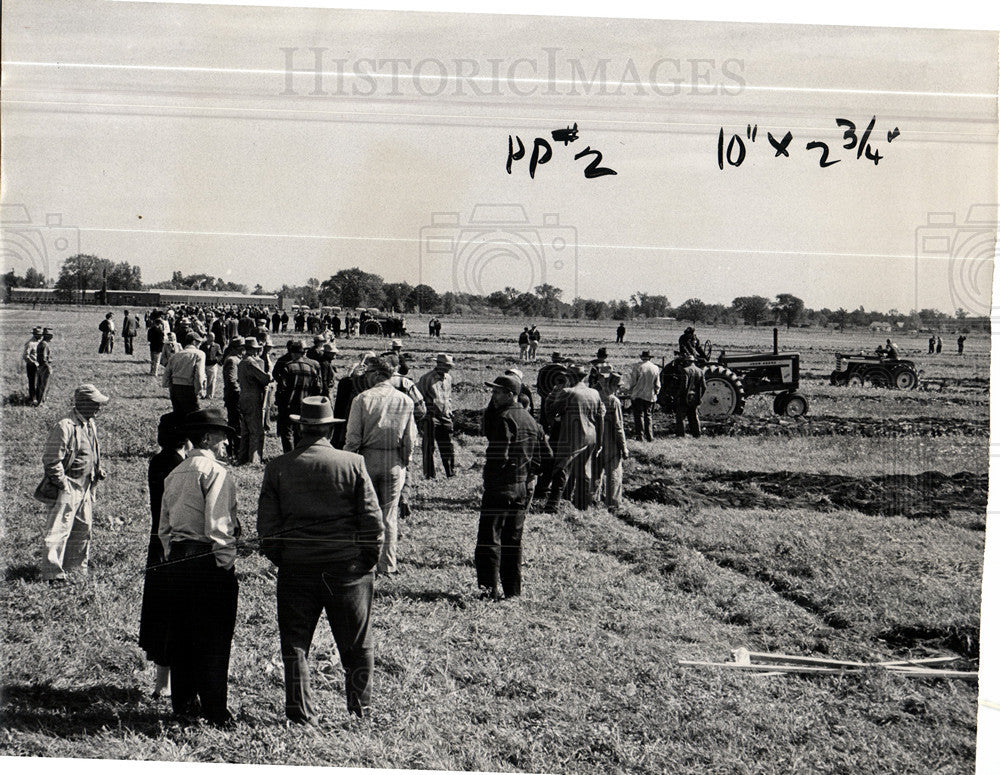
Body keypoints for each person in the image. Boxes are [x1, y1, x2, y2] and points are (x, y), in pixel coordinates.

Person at [257, 396, 384, 722]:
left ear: (301, 427)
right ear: (329, 429)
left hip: (297, 569)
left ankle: (300, 714)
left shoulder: (278, 467)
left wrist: (284, 559)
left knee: (295, 645)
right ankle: (361, 712)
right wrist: (365, 562)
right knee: (357, 646)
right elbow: (372, 520)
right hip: (347, 570)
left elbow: (267, 529)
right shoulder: (352, 463)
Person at [158, 407, 240, 726]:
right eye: (222, 438)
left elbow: (164, 527)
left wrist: (173, 556)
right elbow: (218, 527)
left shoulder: (175, 473)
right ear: (207, 438)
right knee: (214, 639)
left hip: (177, 560)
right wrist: (225, 565)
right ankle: (216, 711)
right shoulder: (216, 472)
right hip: (206, 562)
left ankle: (184, 704)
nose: (226, 445)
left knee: (182, 635)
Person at [345, 356, 416, 576]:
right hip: (394, 461)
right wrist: (403, 461)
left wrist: (348, 463)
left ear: (375, 375)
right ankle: (388, 565)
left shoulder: (362, 399)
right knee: (389, 516)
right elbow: (410, 439)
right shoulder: (405, 401)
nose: (365, 378)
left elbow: (353, 438)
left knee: (365, 513)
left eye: (367, 374)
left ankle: (365, 563)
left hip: (366, 459)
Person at [476, 372, 545, 599]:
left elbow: (499, 455)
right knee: (513, 541)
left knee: (489, 539)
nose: (493, 396)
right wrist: (529, 475)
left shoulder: (504, 418)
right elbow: (545, 456)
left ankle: (488, 591)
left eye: (497, 392)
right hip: (522, 488)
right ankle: (513, 591)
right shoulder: (530, 420)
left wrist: (492, 478)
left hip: (500, 487)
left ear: (510, 394)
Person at [38, 384, 109, 582]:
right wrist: (63, 485)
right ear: (83, 403)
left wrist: (97, 469)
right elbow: (52, 460)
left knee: (82, 529)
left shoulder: (89, 423)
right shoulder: (64, 426)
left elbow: (92, 450)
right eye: (95, 404)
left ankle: (75, 569)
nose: (99, 408)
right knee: (58, 530)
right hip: (69, 486)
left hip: (85, 486)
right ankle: (52, 574)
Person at [141, 412, 189, 698]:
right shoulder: (179, 466)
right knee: (174, 612)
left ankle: (162, 683)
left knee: (160, 611)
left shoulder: (158, 461)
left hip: (156, 540)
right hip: (174, 543)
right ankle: (168, 683)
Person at [544, 364, 605, 512]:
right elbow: (600, 418)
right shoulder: (594, 393)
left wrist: (552, 395)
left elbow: (551, 409)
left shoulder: (567, 392)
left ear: (570, 377)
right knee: (584, 470)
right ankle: (582, 505)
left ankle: (553, 504)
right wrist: (600, 441)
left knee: (561, 468)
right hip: (591, 435)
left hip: (572, 436)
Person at [273, 340, 323, 453]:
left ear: (292, 353)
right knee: (300, 431)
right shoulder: (313, 366)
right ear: (303, 353)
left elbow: (282, 387)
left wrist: (279, 401)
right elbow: (318, 388)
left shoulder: (288, 367)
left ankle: (289, 454)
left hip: (288, 404)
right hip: (305, 404)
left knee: (287, 432)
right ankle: (299, 453)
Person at [593, 372, 629, 510]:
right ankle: (613, 504)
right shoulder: (614, 401)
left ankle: (592, 500)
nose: (618, 389)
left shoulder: (595, 397)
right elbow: (618, 426)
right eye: (617, 386)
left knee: (595, 471)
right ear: (612, 385)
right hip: (611, 442)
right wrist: (624, 447)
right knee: (614, 473)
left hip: (596, 440)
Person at [416, 353, 456, 478]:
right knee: (429, 446)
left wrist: (449, 409)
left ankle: (450, 472)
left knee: (448, 445)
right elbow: (419, 398)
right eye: (446, 366)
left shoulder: (448, 378)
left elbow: (448, 396)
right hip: (430, 416)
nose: (449, 368)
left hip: (444, 415)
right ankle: (429, 475)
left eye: (450, 366)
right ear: (439, 365)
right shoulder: (427, 378)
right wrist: (423, 415)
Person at [237, 337, 271, 464]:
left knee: (246, 430)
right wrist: (269, 375)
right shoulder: (251, 363)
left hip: (244, 396)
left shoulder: (242, 362)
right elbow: (264, 379)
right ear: (253, 350)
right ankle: (254, 460)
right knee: (256, 431)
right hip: (253, 398)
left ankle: (243, 458)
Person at [162, 333, 207, 415]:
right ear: (194, 342)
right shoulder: (199, 354)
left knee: (179, 415)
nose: (200, 344)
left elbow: (167, 372)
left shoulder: (176, 355)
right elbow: (199, 374)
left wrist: (168, 385)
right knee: (194, 416)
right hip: (189, 388)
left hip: (175, 388)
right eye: (199, 342)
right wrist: (199, 390)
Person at [628, 350, 661, 442]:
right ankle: (650, 436)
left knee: (639, 416)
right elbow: (657, 384)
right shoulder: (655, 368)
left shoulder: (637, 367)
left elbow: (633, 382)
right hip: (650, 395)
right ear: (650, 358)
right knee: (648, 415)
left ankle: (640, 436)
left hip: (639, 394)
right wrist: (656, 392)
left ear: (641, 357)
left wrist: (630, 391)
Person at [673, 353, 707, 438]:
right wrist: (699, 396)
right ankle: (697, 434)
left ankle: (681, 434)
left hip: (685, 397)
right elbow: (704, 386)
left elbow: (684, 386)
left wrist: (677, 396)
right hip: (695, 398)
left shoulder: (685, 370)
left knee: (681, 417)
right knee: (694, 416)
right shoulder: (700, 371)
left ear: (687, 361)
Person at [221, 337, 245, 459]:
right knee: (236, 425)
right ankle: (233, 452)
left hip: (235, 396)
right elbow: (231, 381)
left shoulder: (236, 359)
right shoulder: (232, 360)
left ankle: (235, 451)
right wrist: (240, 393)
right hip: (234, 398)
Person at [23, 327, 43, 405]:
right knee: (32, 382)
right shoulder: (30, 343)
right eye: (39, 334)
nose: (41, 336)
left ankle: (38, 398)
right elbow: (25, 356)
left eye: (41, 334)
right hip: (32, 366)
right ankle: (32, 399)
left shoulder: (39, 342)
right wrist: (32, 362)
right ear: (35, 334)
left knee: (39, 382)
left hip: (39, 365)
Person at [200, 334, 224, 399]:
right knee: (203, 380)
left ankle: (210, 395)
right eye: (211, 337)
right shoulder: (202, 346)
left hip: (212, 365)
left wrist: (216, 359)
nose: (213, 338)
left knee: (212, 380)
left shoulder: (216, 346)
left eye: (213, 337)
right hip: (204, 365)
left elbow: (220, 355)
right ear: (207, 337)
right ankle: (202, 394)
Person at [35, 329, 54, 405]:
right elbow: (43, 358)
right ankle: (40, 403)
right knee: (44, 385)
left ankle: (39, 401)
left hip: (40, 367)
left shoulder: (41, 343)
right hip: (44, 367)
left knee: (40, 385)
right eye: (51, 335)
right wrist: (48, 367)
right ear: (48, 336)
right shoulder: (45, 344)